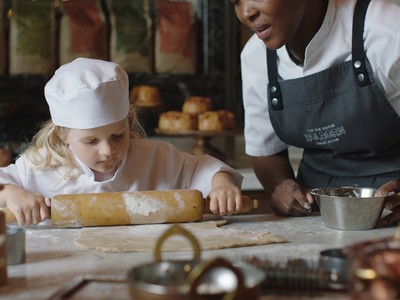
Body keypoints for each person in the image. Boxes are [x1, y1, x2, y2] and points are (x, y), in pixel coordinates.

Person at [0, 58, 243, 226]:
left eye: (118, 135)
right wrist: (12, 193)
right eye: (91, 140)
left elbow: (204, 168)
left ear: (129, 121)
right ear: (61, 135)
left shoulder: (157, 158)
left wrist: (222, 184)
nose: (107, 150)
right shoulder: (39, 167)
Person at [231, 0, 400, 226]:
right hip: (316, 218)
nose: (245, 12)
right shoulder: (255, 57)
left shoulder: (387, 31)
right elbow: (265, 150)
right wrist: (281, 187)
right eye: (235, 1)